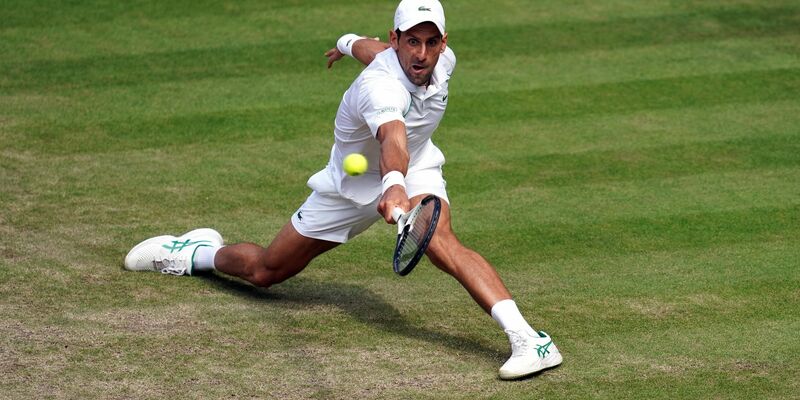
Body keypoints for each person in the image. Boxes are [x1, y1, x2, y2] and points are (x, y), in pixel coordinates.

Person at [124, 0, 562, 380]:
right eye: (412, 41)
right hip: (351, 185)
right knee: (266, 272)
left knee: (441, 242)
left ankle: (529, 340)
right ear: (397, 38)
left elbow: (374, 58)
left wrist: (348, 41)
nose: (422, 53)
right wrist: (392, 185)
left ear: (443, 43)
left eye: (431, 42)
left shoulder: (442, 63)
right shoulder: (380, 87)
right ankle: (193, 252)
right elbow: (392, 138)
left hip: (419, 165)